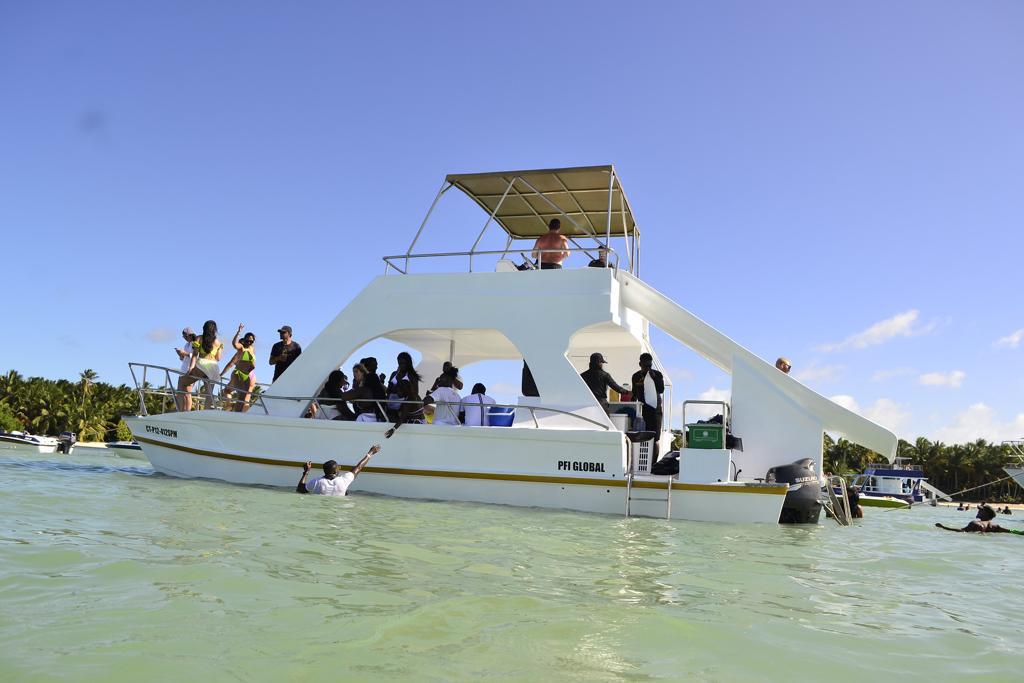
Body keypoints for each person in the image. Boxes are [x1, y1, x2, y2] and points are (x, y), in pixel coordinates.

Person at [296, 444, 382, 495]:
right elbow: (359, 467)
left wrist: (306, 472)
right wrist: (370, 453)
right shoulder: (344, 481)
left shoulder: (316, 482)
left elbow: (300, 490)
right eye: (338, 467)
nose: (339, 468)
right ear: (335, 471)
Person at [631, 353, 665, 460]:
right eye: (645, 366)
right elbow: (634, 393)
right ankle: (642, 461)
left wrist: (654, 378)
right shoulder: (636, 376)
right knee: (641, 437)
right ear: (640, 364)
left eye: (650, 366)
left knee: (655, 438)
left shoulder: (657, 374)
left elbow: (661, 390)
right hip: (642, 411)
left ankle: (654, 463)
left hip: (655, 410)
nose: (648, 368)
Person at [183, 320, 223, 409]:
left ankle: (182, 411)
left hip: (202, 365)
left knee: (182, 383)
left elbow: (195, 355)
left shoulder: (199, 338)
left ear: (204, 328)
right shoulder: (217, 342)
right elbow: (218, 358)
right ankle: (207, 411)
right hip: (213, 367)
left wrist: (191, 368)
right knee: (209, 393)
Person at [221, 324, 257, 412]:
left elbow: (230, 364)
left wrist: (221, 374)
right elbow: (253, 365)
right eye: (248, 341)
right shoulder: (252, 349)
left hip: (241, 375)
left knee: (227, 391)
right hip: (251, 376)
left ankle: (229, 405)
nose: (249, 343)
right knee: (246, 400)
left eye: (251, 341)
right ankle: (244, 416)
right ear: (244, 341)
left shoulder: (241, 350)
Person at [386, 351, 422, 418]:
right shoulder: (394, 374)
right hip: (391, 403)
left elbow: (415, 393)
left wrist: (403, 390)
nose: (402, 365)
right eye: (400, 363)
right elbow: (388, 391)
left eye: (404, 363)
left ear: (408, 363)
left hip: (404, 405)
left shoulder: (411, 376)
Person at [174, 327, 197, 411]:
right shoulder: (187, 345)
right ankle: (181, 411)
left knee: (187, 393)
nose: (184, 338)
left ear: (190, 335)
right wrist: (180, 354)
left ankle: (187, 411)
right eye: (183, 336)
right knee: (180, 393)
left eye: (185, 336)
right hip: (183, 370)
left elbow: (196, 356)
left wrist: (185, 353)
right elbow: (183, 359)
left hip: (190, 370)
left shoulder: (195, 343)